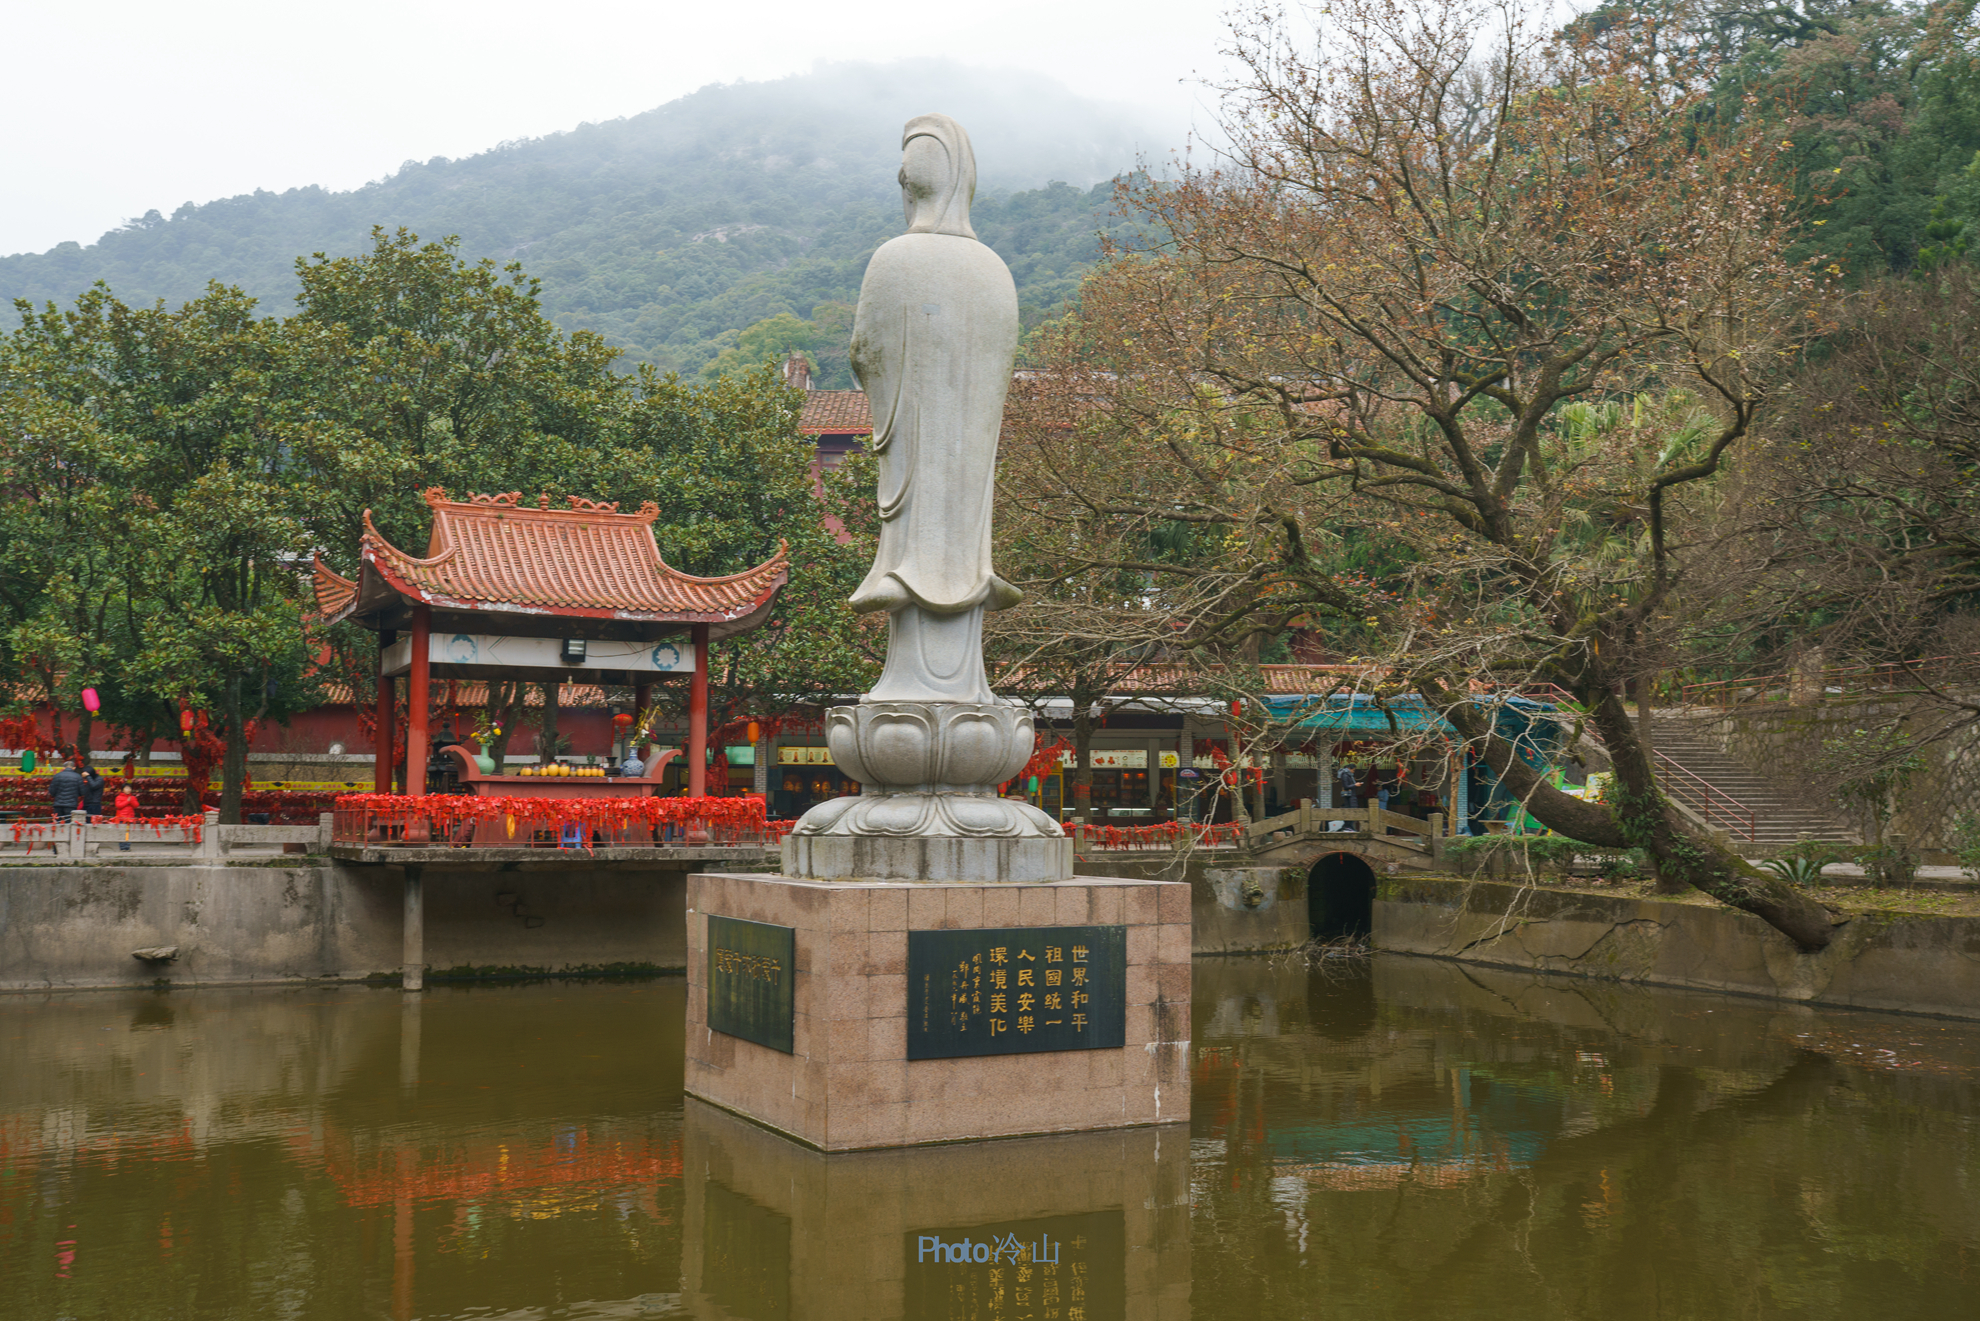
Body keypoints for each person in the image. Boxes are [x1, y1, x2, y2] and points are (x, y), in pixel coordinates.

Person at [114, 782, 141, 850]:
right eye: (126, 788)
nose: (128, 790)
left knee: (128, 832)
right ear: (123, 789)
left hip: (130, 818)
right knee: (122, 832)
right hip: (121, 819)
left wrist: (131, 800)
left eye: (129, 788)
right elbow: (118, 806)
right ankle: (122, 847)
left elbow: (136, 805)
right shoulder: (119, 797)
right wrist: (127, 801)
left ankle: (127, 847)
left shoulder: (133, 797)